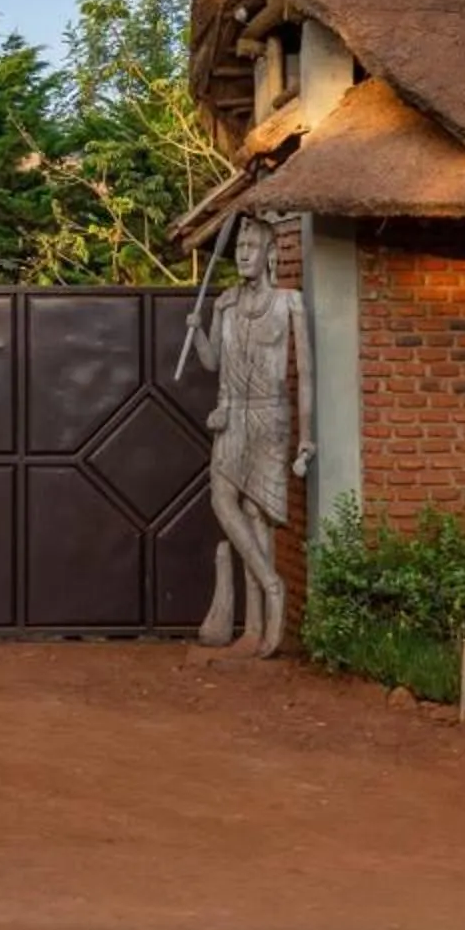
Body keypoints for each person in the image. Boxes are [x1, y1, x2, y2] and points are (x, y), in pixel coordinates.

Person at [184, 212, 310, 657]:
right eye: (239, 249)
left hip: (270, 418)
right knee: (222, 498)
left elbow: (306, 376)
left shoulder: (288, 303)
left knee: (259, 515)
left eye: (251, 248)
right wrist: (198, 331)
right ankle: (272, 584)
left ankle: (255, 627)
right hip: (231, 415)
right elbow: (212, 363)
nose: (243, 255)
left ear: (271, 253)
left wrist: (306, 438)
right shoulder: (226, 303)